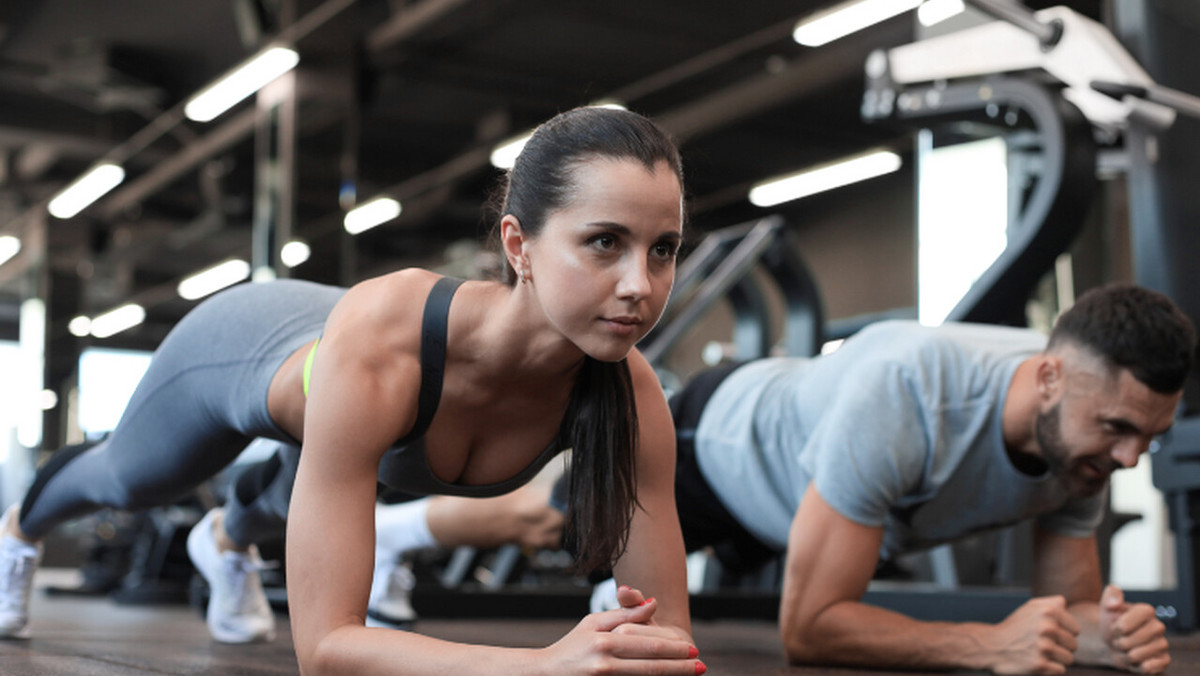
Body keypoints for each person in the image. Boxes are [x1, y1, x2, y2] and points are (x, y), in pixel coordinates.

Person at [0, 106, 707, 675]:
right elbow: (327, 648)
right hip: (247, 344)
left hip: (354, 411)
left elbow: (668, 636)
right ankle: (16, 533)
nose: (639, 286)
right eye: (605, 242)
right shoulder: (387, 350)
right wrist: (544, 664)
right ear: (518, 247)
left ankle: (224, 540)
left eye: (663, 249)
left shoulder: (628, 396)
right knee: (131, 479)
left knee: (311, 481)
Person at [365, 282, 1191, 675]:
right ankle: (394, 534)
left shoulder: (1086, 439)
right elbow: (811, 630)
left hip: (798, 496)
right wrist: (986, 644)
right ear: (1048, 379)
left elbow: (1071, 604)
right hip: (719, 440)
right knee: (545, 520)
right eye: (1117, 432)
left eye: (1146, 440)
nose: (1128, 463)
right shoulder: (912, 391)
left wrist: (1104, 637)